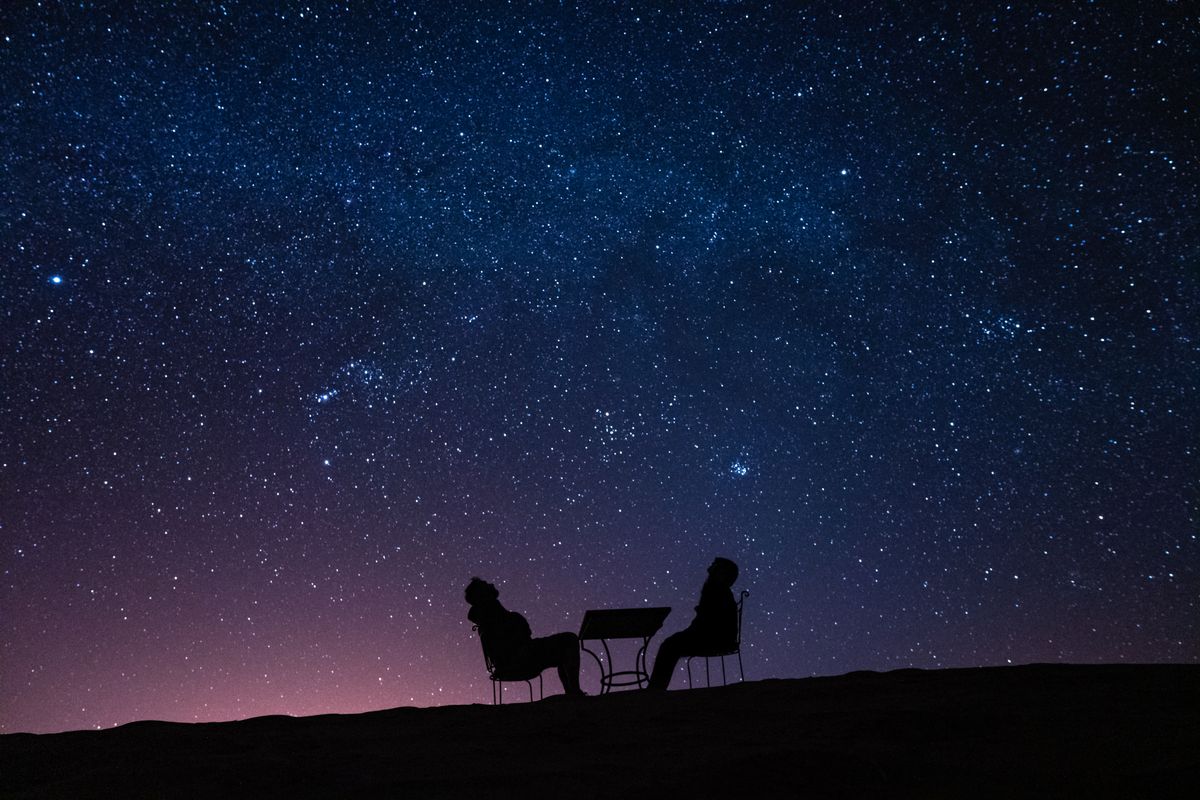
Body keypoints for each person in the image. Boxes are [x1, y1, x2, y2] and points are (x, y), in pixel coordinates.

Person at [464, 577, 585, 697]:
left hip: (519, 657)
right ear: (482, 593)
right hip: (520, 659)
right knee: (569, 640)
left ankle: (572, 693)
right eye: (486, 584)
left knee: (564, 647)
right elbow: (519, 636)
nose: (491, 584)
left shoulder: (490, 615)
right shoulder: (491, 615)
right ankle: (574, 692)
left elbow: (521, 633)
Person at [647, 557, 739, 690]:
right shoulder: (719, 591)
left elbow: (708, 623)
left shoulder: (717, 591)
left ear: (721, 573)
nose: (709, 569)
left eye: (714, 566)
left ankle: (655, 689)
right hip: (713, 637)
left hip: (714, 639)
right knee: (669, 645)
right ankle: (656, 688)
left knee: (669, 646)